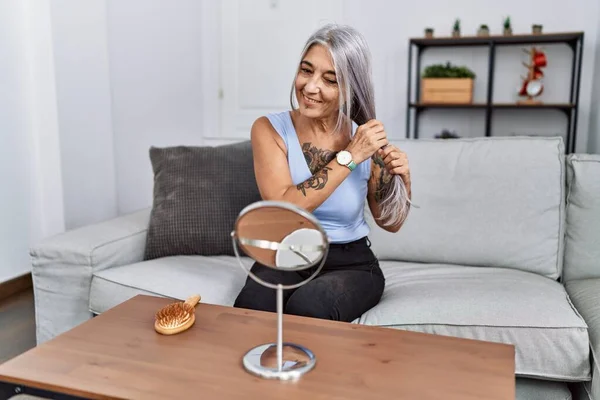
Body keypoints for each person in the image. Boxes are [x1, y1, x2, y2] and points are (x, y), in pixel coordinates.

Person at [233, 23, 412, 323]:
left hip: (351, 264)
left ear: (349, 89)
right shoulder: (270, 129)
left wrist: (403, 179)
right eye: (306, 71)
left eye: (329, 80)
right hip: (287, 253)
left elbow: (390, 223)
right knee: (251, 309)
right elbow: (282, 209)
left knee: (310, 307)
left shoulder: (364, 139)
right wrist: (351, 155)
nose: (311, 87)